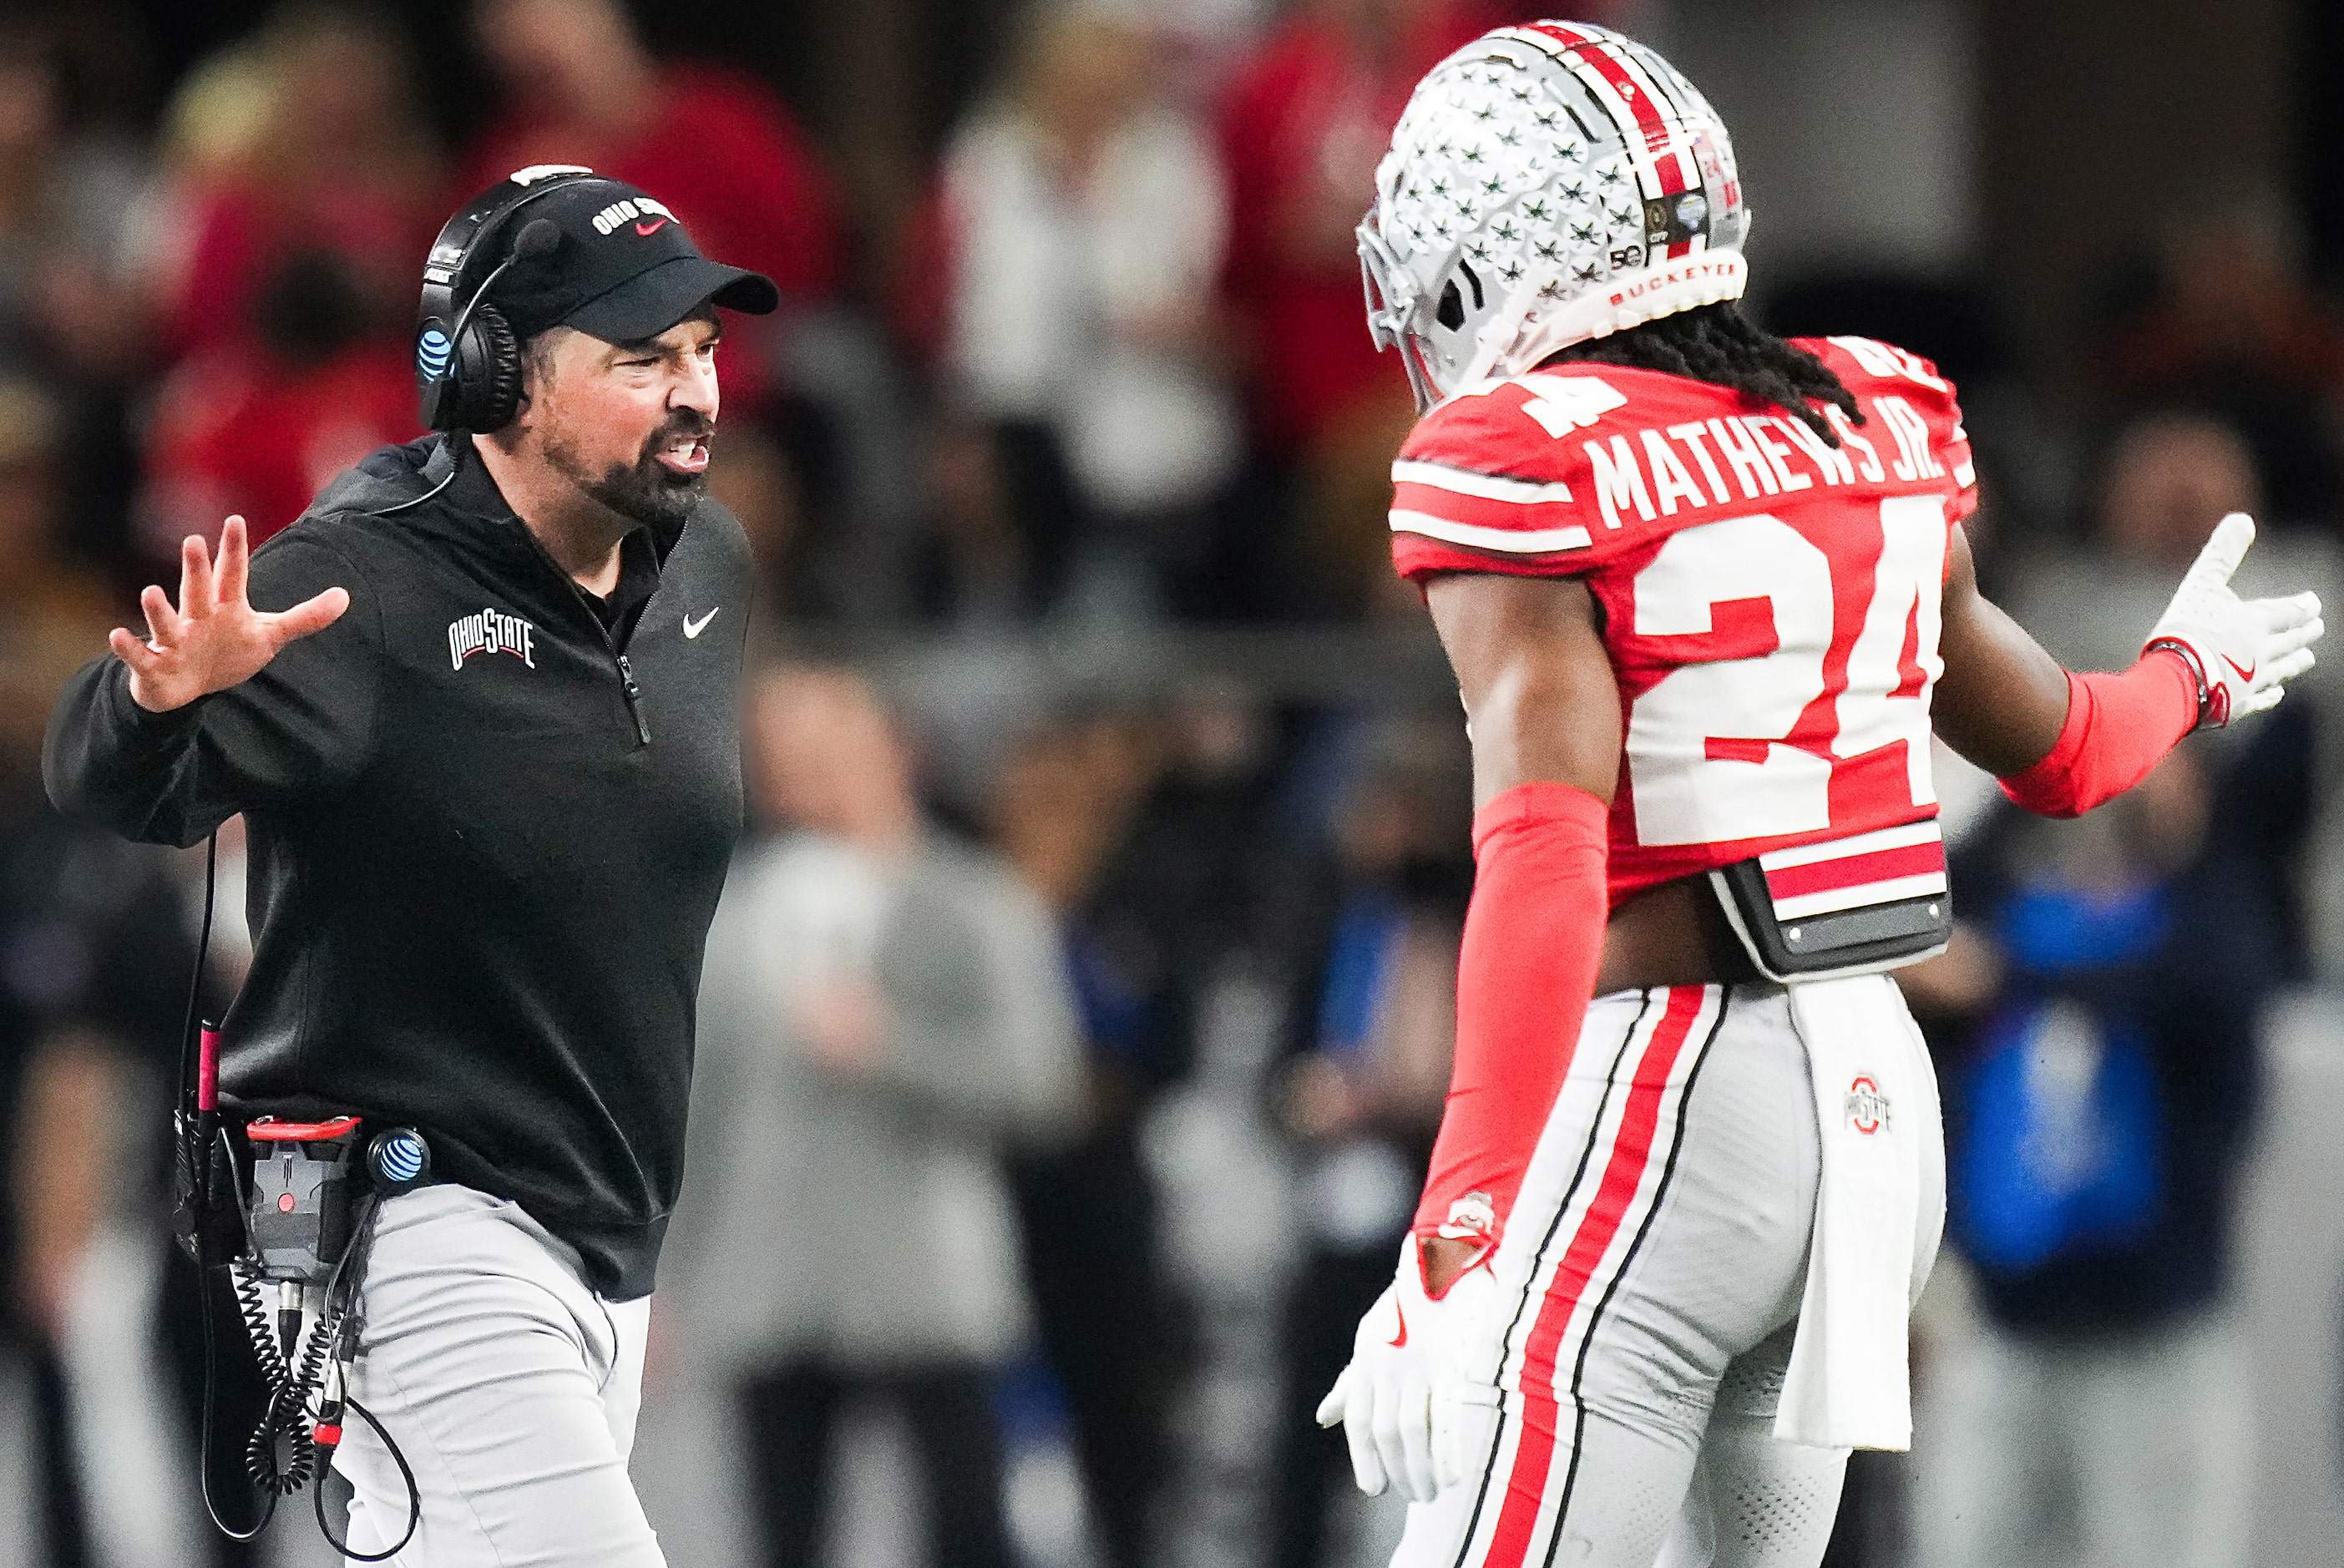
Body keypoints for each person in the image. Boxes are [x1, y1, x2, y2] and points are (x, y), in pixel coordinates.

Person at [1309, 22, 2325, 1568]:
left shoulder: (1522, 459)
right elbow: (2065, 753)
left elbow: (1542, 858)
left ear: (1492, 263)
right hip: (1874, 1097)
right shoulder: (1867, 418)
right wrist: (2185, 669)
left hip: (1664, 1096)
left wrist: (1456, 1239)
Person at [42, 165, 777, 1565]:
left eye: (705, 352)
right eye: (642, 360)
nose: (696, 395)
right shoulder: (368, 585)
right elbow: (100, 771)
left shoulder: (706, 568)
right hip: (417, 1220)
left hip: (607, 1240)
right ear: (497, 375)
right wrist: (153, 702)